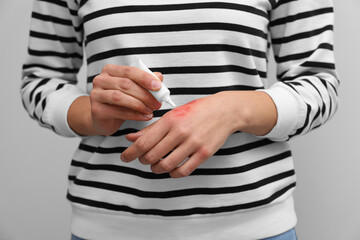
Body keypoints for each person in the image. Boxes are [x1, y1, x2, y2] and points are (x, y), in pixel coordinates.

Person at [21, 0, 339, 239]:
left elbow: (318, 86)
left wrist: (235, 109)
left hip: (254, 228)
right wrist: (90, 114)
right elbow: (39, 80)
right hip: (108, 228)